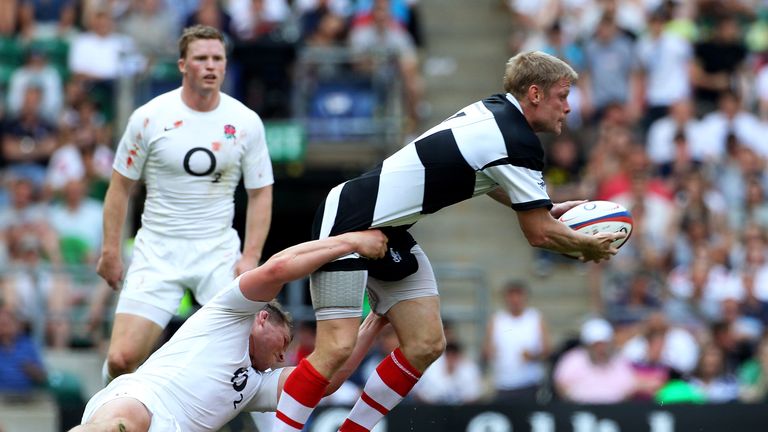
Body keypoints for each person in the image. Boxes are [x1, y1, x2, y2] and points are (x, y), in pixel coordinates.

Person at [273, 50, 626, 432]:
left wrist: (546, 206)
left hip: (389, 230)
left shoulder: (498, 112)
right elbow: (538, 233)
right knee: (336, 349)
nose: (569, 107)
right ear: (536, 94)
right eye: (563, 95)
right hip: (348, 218)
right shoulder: (515, 138)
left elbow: (491, 181)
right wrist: (585, 246)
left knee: (426, 343)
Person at [71, 230, 389, 432]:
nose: (283, 355)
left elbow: (325, 381)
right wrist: (350, 242)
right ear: (262, 319)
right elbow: (278, 268)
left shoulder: (254, 386)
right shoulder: (229, 314)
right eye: (283, 342)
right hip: (140, 398)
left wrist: (376, 319)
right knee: (119, 426)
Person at [96, 24, 274, 382]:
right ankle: (109, 416)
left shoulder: (245, 122)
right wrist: (111, 251)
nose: (210, 66)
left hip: (217, 252)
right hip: (158, 250)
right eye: (201, 59)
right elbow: (119, 187)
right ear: (182, 65)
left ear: (225, 65)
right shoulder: (149, 117)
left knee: (252, 356)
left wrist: (251, 255)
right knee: (121, 358)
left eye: (217, 59)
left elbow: (261, 191)